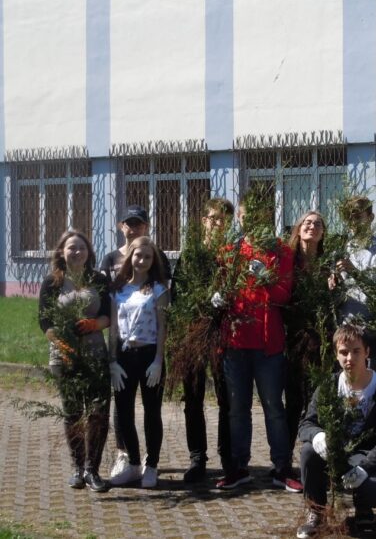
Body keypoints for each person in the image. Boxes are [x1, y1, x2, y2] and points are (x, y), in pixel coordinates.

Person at [214, 192, 301, 492]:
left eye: (259, 214)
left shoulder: (282, 252)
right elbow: (220, 292)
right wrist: (216, 298)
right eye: (246, 215)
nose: (253, 220)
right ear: (240, 218)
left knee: (274, 407)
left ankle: (281, 468)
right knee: (237, 409)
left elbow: (284, 296)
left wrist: (266, 277)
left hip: (268, 344)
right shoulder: (229, 252)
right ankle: (239, 467)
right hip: (236, 342)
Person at [296, 324, 376, 538]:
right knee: (307, 453)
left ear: (367, 352)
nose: (349, 358)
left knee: (374, 490)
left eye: (356, 351)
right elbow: (306, 424)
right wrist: (317, 435)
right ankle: (316, 511)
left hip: (366, 456)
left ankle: (364, 507)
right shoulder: (328, 385)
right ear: (336, 354)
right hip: (335, 453)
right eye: (343, 352)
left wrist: (365, 467)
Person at [100, 204, 172, 478]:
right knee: (124, 411)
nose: (141, 260)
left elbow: (163, 327)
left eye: (147, 257)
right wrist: (113, 360)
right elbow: (114, 328)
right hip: (124, 356)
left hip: (149, 355)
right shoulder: (118, 289)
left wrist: (158, 360)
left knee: (152, 413)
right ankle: (131, 463)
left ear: (153, 261)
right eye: (137, 256)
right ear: (129, 257)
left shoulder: (158, 289)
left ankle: (151, 464)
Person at [38, 231, 111, 493]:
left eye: (81, 248)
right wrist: (62, 344)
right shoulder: (52, 283)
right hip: (64, 356)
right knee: (73, 412)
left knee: (98, 411)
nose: (76, 252)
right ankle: (78, 468)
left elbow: (108, 315)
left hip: (95, 355)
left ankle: (93, 470)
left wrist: (95, 324)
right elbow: (44, 321)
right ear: (61, 252)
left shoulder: (99, 280)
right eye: (71, 248)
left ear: (89, 253)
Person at [172, 197, 234, 483]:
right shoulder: (191, 255)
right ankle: (197, 458)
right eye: (212, 218)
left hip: (225, 336)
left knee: (227, 398)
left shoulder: (233, 255)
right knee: (194, 398)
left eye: (222, 219)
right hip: (195, 336)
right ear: (203, 221)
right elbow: (178, 295)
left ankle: (227, 456)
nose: (216, 223)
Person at [330, 195, 376, 377]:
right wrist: (334, 283)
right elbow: (337, 292)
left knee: (374, 390)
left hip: (372, 332)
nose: (352, 223)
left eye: (357, 217)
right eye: (349, 218)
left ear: (370, 218)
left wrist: (355, 272)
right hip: (345, 330)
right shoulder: (342, 247)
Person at [285, 210, 328, 451]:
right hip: (292, 340)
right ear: (299, 228)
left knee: (315, 400)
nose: (312, 227)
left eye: (318, 224)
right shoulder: (287, 260)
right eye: (307, 223)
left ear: (323, 233)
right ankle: (284, 460)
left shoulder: (326, 264)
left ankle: (312, 453)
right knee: (293, 400)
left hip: (320, 341)